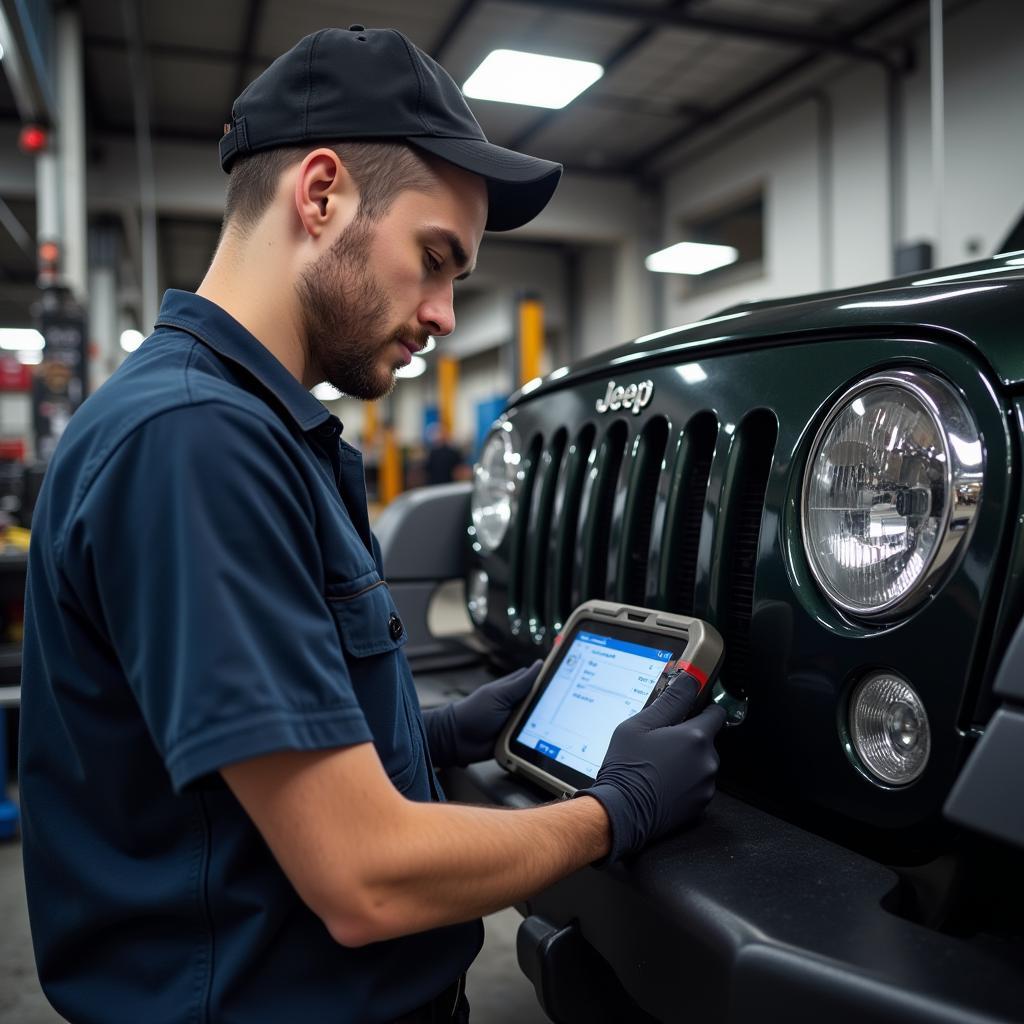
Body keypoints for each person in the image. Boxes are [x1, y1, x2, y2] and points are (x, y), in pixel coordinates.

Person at [18, 26, 726, 1024]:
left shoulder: (240, 427)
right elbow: (365, 879)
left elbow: (226, 766)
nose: (443, 314)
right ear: (320, 195)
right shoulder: (197, 442)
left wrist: (434, 733)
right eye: (435, 258)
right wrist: (616, 812)